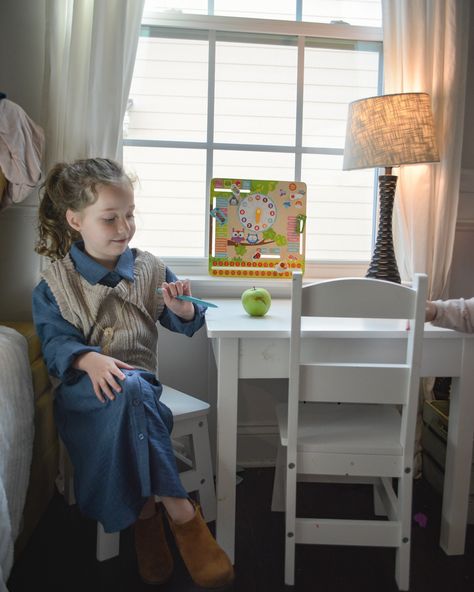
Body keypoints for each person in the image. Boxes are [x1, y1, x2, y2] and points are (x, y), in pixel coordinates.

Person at [32, 157, 234, 588]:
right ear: (75, 220)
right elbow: (54, 346)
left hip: (140, 387)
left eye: (129, 215)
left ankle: (146, 516)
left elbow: (184, 317)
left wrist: (181, 309)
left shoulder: (149, 268)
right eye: (110, 219)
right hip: (85, 394)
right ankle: (178, 509)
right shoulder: (55, 284)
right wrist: (89, 359)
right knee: (131, 389)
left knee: (135, 387)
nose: (124, 228)